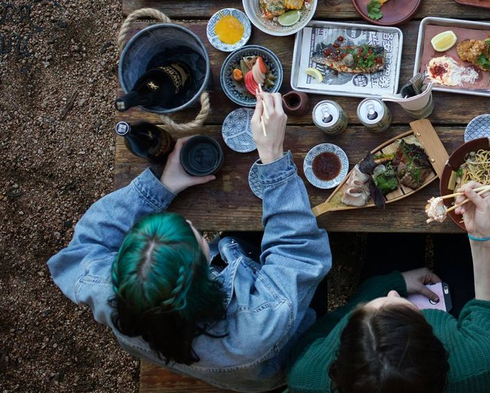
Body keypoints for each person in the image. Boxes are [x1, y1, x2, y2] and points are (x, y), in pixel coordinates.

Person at [47, 93, 332, 393]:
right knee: (324, 227)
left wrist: (161, 186)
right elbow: (300, 253)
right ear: (205, 267)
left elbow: (82, 247)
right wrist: (273, 156)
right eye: (193, 234)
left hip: (217, 354)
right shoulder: (258, 323)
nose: (189, 223)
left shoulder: (109, 290)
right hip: (277, 357)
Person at [285, 181, 490, 393]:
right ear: (437, 344)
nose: (393, 292)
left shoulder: (306, 378)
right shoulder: (480, 367)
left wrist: (392, 281)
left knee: (392, 236)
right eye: (405, 305)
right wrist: (480, 235)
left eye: (363, 309)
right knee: (456, 247)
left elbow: (315, 335)